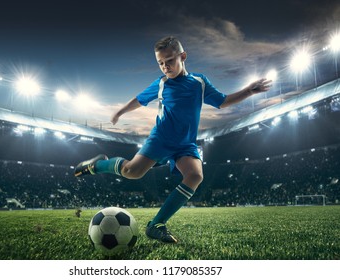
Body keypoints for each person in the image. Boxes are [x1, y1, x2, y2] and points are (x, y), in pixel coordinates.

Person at [74, 36, 271, 243]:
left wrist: (249, 90)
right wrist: (120, 112)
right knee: (131, 172)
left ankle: (156, 224)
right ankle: (97, 165)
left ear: (182, 56)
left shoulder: (199, 82)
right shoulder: (161, 84)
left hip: (185, 144)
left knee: (195, 175)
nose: (165, 66)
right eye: (160, 63)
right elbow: (139, 100)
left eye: (169, 60)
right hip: (161, 139)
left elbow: (222, 102)